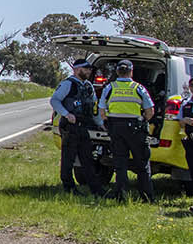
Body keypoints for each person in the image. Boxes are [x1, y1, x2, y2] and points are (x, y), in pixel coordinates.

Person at [98, 59, 155, 202]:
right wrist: (143, 120)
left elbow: (102, 111)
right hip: (136, 129)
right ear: (131, 71)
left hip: (116, 129)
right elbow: (150, 111)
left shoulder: (109, 88)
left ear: (117, 71)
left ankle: (121, 196)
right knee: (142, 165)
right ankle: (147, 197)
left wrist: (108, 122)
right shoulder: (138, 88)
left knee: (120, 164)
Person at [50, 58, 104, 196]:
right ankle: (69, 188)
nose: (88, 71)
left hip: (84, 126)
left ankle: (96, 190)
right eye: (86, 69)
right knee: (68, 159)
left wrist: (101, 124)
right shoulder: (68, 84)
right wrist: (66, 114)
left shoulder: (88, 86)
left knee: (88, 159)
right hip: (70, 127)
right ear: (77, 69)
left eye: (89, 69)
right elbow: (54, 100)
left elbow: (94, 108)